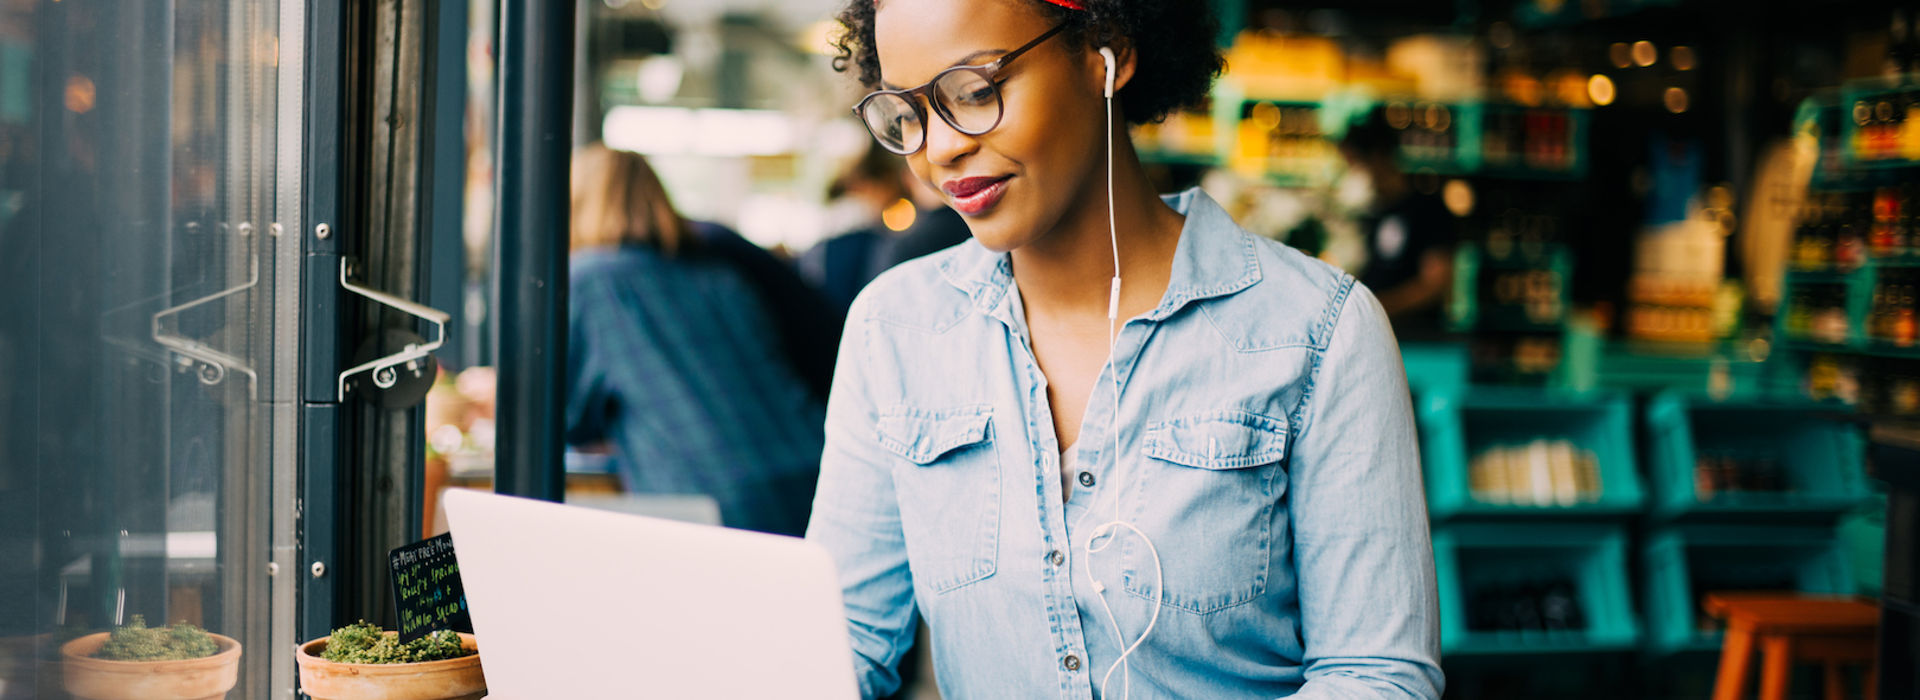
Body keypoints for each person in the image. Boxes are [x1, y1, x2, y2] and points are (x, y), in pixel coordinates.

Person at [807, 1, 1442, 699]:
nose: (938, 148)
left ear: (1106, 50)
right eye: (908, 115)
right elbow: (841, 645)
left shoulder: (1317, 331)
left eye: (975, 92)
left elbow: (1376, 677)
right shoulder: (895, 330)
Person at [565, 144, 824, 537]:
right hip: (811, 475)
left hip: (712, 503)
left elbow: (570, 420)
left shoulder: (592, 280)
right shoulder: (719, 275)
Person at [1338, 108, 1459, 338]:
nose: (1350, 174)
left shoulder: (1427, 209)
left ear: (1377, 158)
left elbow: (1435, 283)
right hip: (1372, 333)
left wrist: (1377, 306)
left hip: (1416, 339)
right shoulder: (1368, 213)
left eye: (1354, 165)